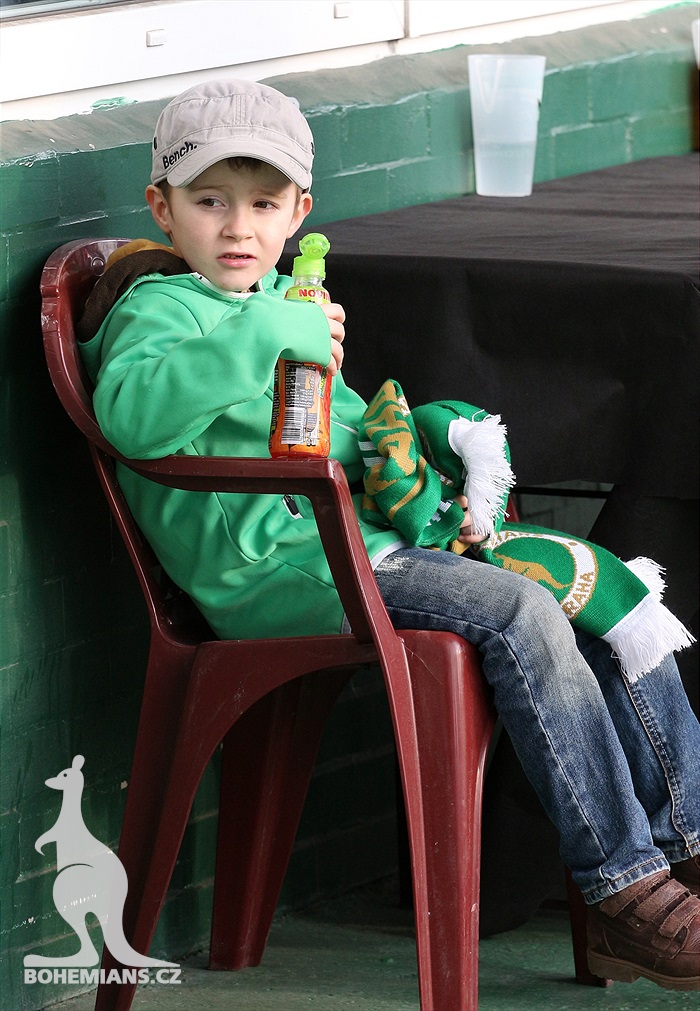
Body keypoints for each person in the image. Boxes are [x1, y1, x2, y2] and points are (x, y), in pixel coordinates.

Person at [78, 78, 700, 992]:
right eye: (210, 201)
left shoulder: (283, 304)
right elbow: (132, 415)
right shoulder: (156, 311)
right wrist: (274, 334)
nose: (238, 228)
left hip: (362, 549)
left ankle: (682, 847)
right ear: (162, 207)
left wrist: (413, 445)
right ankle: (624, 886)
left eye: (262, 203)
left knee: (589, 595)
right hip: (282, 573)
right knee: (522, 611)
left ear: (300, 211)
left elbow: (345, 436)